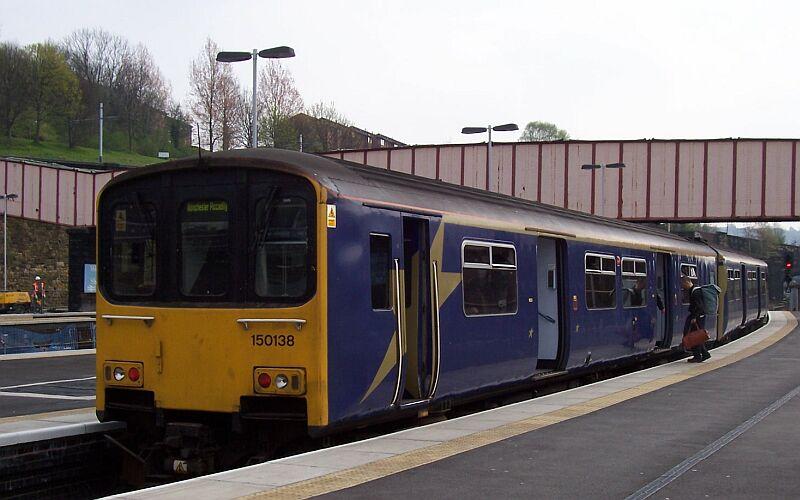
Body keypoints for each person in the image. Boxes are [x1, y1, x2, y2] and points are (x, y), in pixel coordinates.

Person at [681, 276, 710, 362]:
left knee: (694, 336)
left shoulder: (695, 292)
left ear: (687, 282)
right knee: (695, 336)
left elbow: (699, 306)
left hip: (698, 316)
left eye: (683, 284)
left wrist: (694, 317)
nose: (683, 287)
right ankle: (703, 354)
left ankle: (699, 355)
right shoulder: (693, 290)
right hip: (697, 316)